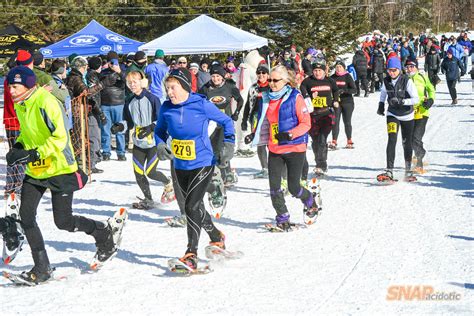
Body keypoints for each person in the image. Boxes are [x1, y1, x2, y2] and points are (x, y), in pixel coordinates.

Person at [1, 66, 117, 284]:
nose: (11, 91)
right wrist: (18, 147)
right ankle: (42, 267)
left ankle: (103, 234)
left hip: (60, 169)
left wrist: (33, 154)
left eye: (15, 87)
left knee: (63, 221)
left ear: (28, 85)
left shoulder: (47, 102)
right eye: (10, 87)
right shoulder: (22, 104)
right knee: (26, 216)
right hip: (37, 170)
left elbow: (59, 138)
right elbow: (28, 133)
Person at [154, 67, 235, 269]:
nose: (169, 92)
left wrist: (229, 144)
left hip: (203, 162)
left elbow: (226, 121)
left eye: (172, 88)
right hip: (180, 164)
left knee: (190, 206)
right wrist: (160, 144)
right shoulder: (166, 108)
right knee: (196, 206)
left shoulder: (201, 104)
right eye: (167, 88)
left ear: (183, 86)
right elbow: (159, 131)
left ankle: (191, 253)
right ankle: (216, 235)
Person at [247, 65, 317, 231]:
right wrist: (254, 134)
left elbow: (306, 123)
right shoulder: (266, 98)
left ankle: (310, 201)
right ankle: (282, 217)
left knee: (294, 187)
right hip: (275, 148)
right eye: (269, 80)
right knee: (274, 187)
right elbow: (264, 120)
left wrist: (290, 134)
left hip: (295, 147)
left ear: (285, 81)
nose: (271, 83)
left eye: (275, 80)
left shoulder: (295, 97)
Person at [110, 71, 174, 210]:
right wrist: (120, 126)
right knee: (138, 173)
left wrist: (151, 127)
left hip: (153, 142)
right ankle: (148, 199)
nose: (132, 85)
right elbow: (129, 123)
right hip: (139, 142)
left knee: (151, 172)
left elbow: (163, 120)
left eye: (135, 81)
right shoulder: (129, 101)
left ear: (142, 82)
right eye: (129, 82)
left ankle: (168, 183)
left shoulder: (153, 99)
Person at [199, 65, 243, 186]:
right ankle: (216, 175)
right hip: (211, 124)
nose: (215, 79)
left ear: (222, 76)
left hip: (226, 122)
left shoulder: (229, 87)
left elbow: (240, 100)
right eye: (213, 76)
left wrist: (236, 113)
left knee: (224, 148)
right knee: (213, 149)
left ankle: (227, 173)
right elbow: (198, 102)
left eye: (218, 76)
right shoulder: (205, 88)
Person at [376, 58, 419, 182]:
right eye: (389, 70)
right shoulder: (386, 80)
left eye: (394, 70)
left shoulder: (407, 81)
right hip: (392, 114)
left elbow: (416, 99)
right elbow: (383, 92)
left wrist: (402, 101)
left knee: (406, 143)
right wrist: (380, 104)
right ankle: (389, 170)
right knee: (392, 139)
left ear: (399, 70)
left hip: (407, 115)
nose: (391, 73)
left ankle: (408, 170)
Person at [300, 60, 340, 176]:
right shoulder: (307, 82)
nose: (317, 73)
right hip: (312, 115)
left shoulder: (330, 81)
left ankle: (321, 165)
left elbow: (336, 90)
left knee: (322, 139)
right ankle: (319, 161)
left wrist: (336, 100)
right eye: (315, 71)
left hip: (326, 114)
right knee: (315, 141)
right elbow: (302, 94)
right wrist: (309, 97)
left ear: (324, 71)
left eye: (319, 70)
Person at [405, 59, 435, 173]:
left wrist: (431, 100)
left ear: (416, 67)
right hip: (408, 112)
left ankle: (419, 163)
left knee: (416, 137)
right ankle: (421, 153)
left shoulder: (422, 77)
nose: (409, 69)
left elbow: (431, 89)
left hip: (422, 111)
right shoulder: (404, 79)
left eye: (412, 66)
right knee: (412, 139)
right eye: (407, 67)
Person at [242, 64, 271, 178]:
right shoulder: (253, 87)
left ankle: (275, 167)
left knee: (273, 143)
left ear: (267, 74)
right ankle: (265, 168)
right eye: (259, 73)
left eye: (263, 73)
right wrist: (244, 120)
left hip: (270, 117)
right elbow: (248, 105)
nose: (261, 75)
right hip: (256, 118)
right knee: (260, 143)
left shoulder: (272, 86)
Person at [100, 51, 127, 160]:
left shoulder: (123, 71)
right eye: (110, 61)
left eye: (114, 61)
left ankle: (121, 152)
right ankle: (106, 152)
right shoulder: (103, 72)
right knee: (105, 129)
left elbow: (128, 82)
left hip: (119, 104)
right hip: (105, 104)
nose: (112, 63)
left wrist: (119, 72)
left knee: (120, 128)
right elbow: (100, 84)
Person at [329, 60, 357, 149]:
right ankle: (334, 141)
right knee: (335, 122)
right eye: (337, 67)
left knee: (347, 121)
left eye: (340, 67)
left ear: (344, 68)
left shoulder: (348, 76)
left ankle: (349, 140)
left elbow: (354, 90)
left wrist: (345, 91)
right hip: (337, 103)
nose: (338, 68)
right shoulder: (332, 77)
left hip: (347, 102)